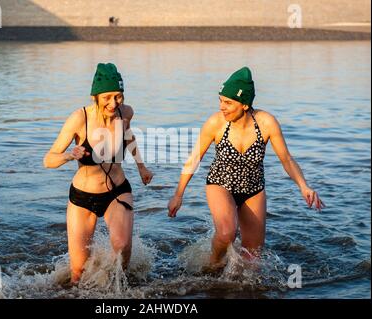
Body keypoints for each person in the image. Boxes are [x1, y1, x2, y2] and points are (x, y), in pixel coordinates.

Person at [167, 67, 325, 270]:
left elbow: (286, 159)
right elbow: (194, 158)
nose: (222, 107)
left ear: (244, 104)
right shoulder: (216, 123)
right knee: (226, 233)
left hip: (253, 190)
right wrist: (178, 195)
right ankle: (212, 265)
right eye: (221, 100)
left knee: (253, 260)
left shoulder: (266, 123)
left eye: (228, 102)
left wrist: (304, 186)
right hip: (220, 184)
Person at [44, 63, 153, 284]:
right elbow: (48, 159)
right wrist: (69, 155)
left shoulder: (126, 112)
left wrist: (141, 166)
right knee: (78, 273)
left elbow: (128, 134)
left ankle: (117, 285)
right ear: (95, 96)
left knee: (122, 248)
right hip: (83, 197)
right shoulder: (80, 118)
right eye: (108, 97)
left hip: (117, 191)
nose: (113, 104)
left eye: (118, 97)